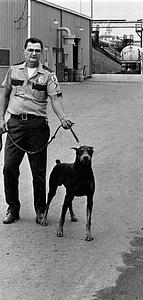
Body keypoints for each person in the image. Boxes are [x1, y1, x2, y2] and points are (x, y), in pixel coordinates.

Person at [0, 37, 73, 224]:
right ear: (24, 51)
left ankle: (41, 210)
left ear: (41, 53)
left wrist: (63, 118)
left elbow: (55, 99)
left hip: (37, 127)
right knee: (9, 168)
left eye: (37, 51)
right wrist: (1, 119)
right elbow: (5, 94)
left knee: (38, 172)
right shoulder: (13, 70)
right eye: (30, 50)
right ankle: (13, 208)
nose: (33, 53)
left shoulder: (48, 75)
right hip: (15, 125)